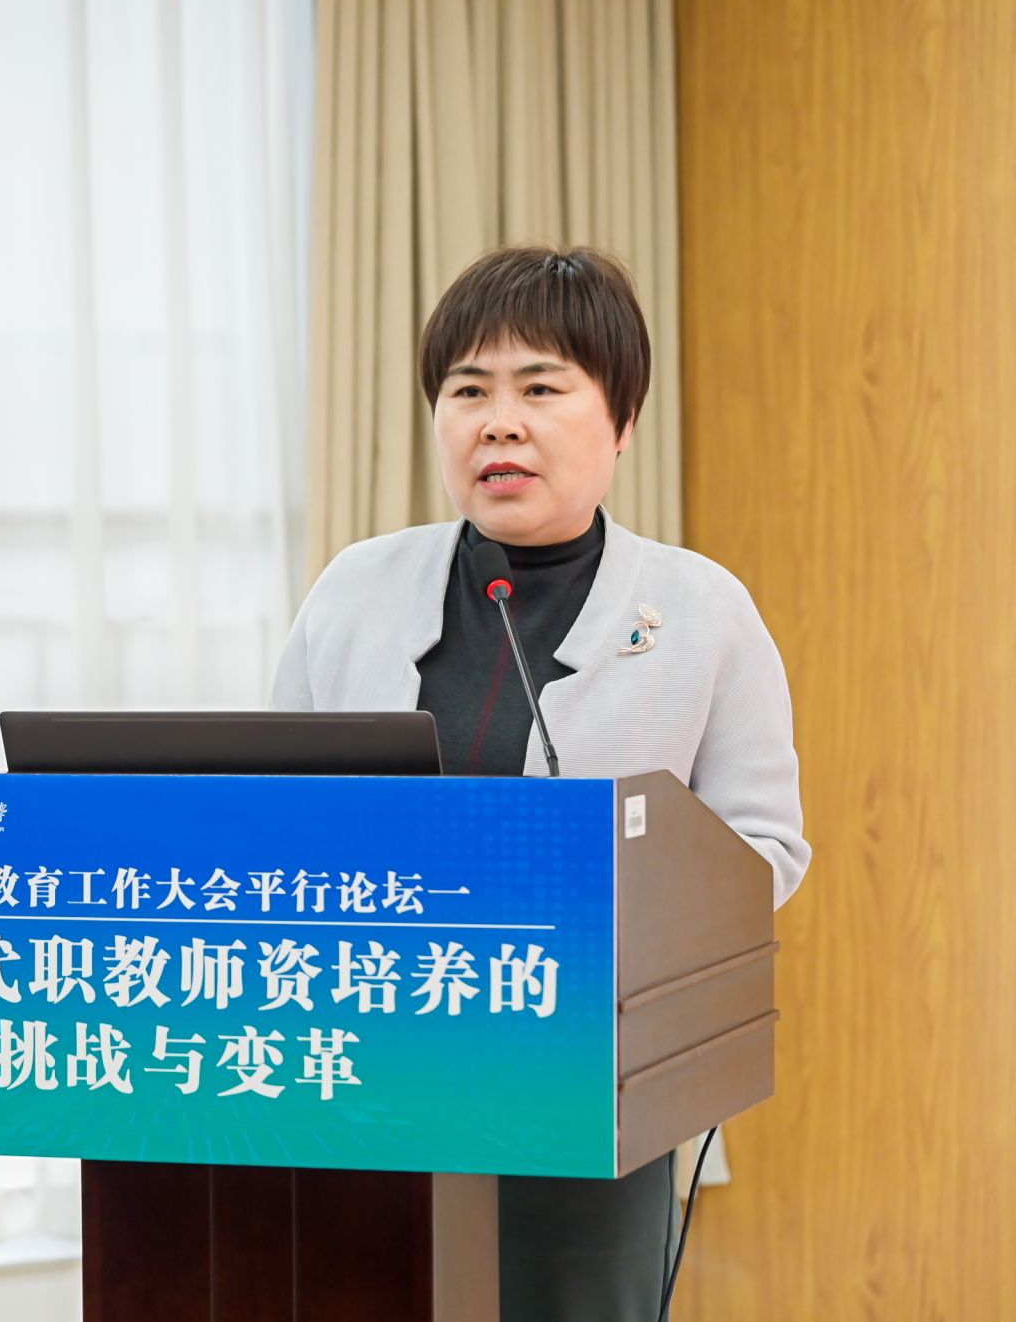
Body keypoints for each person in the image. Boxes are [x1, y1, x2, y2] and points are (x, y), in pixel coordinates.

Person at [271, 245, 810, 1318]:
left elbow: (765, 851)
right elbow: (272, 808)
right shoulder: (355, 588)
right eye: (467, 391)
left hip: (586, 1085)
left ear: (621, 420)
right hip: (372, 1064)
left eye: (540, 389)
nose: (498, 423)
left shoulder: (702, 611)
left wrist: (610, 907)